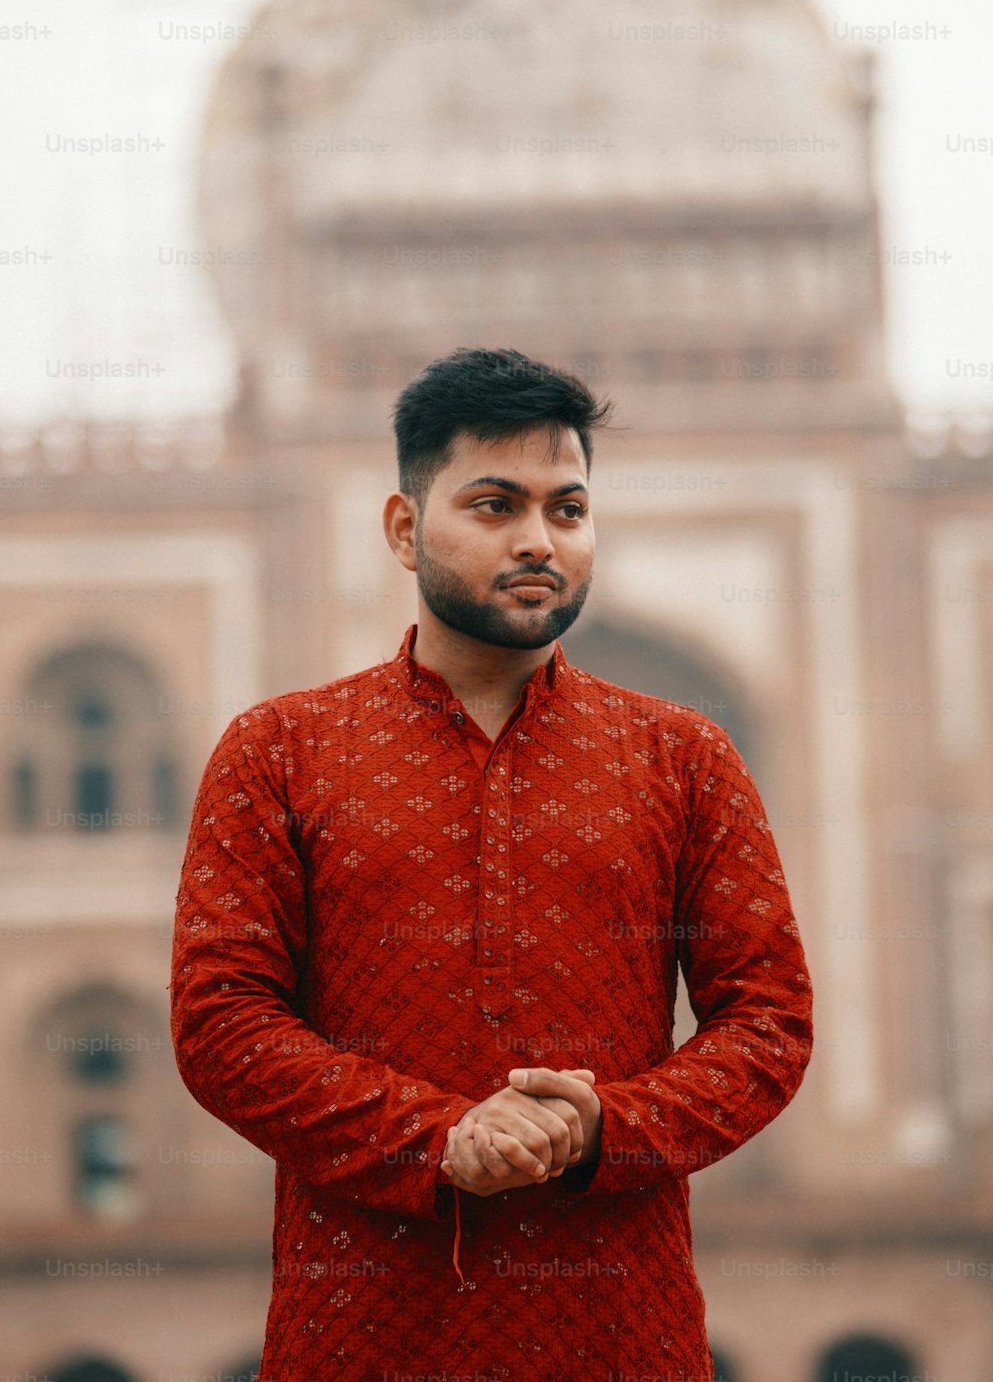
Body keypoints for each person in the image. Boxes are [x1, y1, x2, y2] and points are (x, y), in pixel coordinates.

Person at [170, 347, 813, 1382]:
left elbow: (769, 1023)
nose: (536, 540)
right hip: (363, 1336)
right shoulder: (280, 751)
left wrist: (602, 1126)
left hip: (619, 1333)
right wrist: (438, 1139)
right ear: (403, 526)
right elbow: (221, 1025)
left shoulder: (681, 758)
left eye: (566, 509)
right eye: (493, 504)